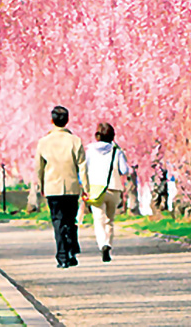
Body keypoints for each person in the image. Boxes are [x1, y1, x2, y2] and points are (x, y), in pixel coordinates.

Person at [34, 105, 87, 268]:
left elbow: (39, 167)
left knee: (58, 221)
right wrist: (85, 187)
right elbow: (82, 166)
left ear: (52, 121)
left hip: (52, 187)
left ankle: (62, 256)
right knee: (70, 220)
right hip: (71, 187)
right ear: (67, 121)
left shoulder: (43, 142)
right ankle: (71, 252)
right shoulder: (75, 141)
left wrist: (40, 185)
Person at [84, 122, 130, 262]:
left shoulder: (90, 151)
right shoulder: (117, 151)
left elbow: (84, 168)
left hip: (96, 188)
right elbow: (125, 170)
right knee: (110, 220)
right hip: (113, 188)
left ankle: (102, 244)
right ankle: (108, 244)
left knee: (99, 219)